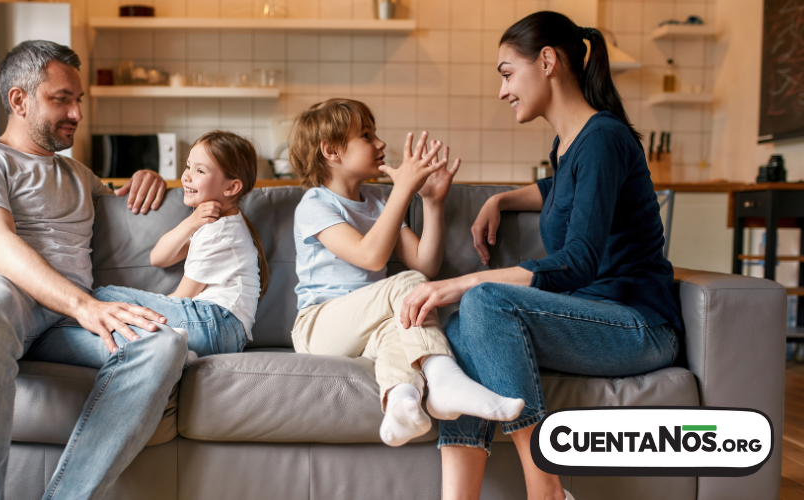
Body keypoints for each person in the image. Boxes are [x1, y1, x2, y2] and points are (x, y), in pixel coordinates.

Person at [400, 12, 683, 500]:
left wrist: (459, 283)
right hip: (600, 316)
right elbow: (561, 187)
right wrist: (500, 200)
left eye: (508, 72)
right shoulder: (570, 145)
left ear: (547, 61)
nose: (504, 89)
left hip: (639, 324)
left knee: (486, 301)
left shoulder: (605, 138)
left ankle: (546, 489)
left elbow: (578, 263)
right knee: (462, 328)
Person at [0, 40, 186, 499]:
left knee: (162, 343)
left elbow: (121, 200)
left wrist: (148, 179)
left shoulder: (77, 175)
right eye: (61, 100)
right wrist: (86, 306)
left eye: (78, 100)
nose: (76, 113)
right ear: (19, 100)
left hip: (59, 322)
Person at [288, 98, 525, 448]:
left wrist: (432, 202)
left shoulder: (377, 202)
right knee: (413, 289)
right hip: (318, 327)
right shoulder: (315, 204)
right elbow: (369, 257)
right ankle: (444, 378)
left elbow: (424, 263)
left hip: (365, 330)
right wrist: (402, 190)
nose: (381, 143)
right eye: (367, 136)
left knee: (402, 323)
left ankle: (402, 404)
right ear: (332, 151)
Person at [68, 130, 269, 364]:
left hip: (214, 324)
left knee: (105, 295)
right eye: (187, 166)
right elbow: (159, 258)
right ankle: (174, 350)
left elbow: (182, 296)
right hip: (221, 330)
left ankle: (166, 346)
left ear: (231, 187)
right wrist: (191, 222)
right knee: (110, 309)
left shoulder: (220, 232)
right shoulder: (212, 224)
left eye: (200, 170)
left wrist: (143, 315)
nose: (186, 177)